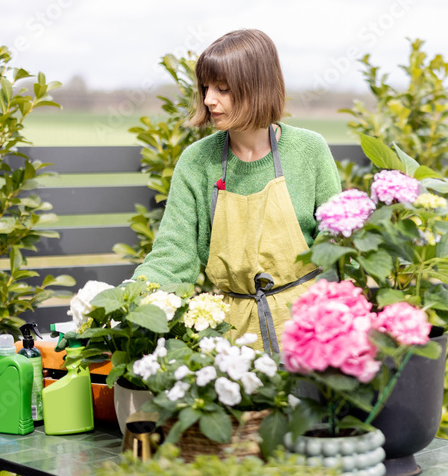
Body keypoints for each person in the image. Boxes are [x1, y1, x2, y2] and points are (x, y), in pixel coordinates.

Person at [129, 29, 341, 355]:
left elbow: (336, 246)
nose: (209, 99)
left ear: (257, 88)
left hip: (309, 333)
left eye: (223, 89)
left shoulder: (309, 150)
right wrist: (127, 298)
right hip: (233, 345)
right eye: (205, 88)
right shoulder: (198, 161)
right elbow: (173, 255)